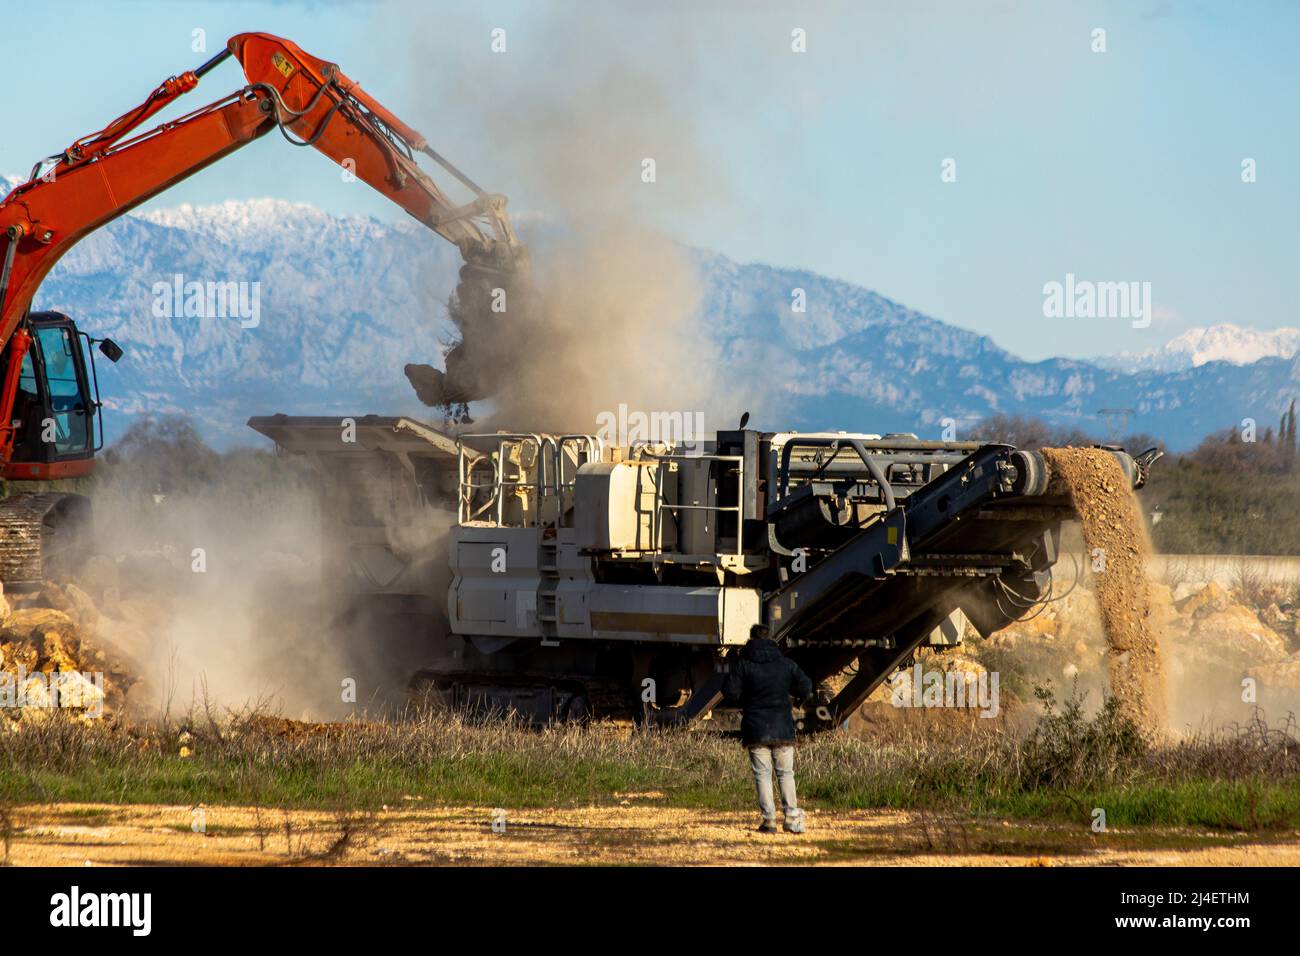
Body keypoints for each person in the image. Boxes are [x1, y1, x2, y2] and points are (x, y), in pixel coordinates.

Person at [722, 623, 814, 833]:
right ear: (771, 640)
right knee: (785, 773)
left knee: (762, 775)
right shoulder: (786, 663)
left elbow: (730, 692)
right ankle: (791, 817)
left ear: (751, 640)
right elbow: (807, 686)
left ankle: (769, 821)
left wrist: (745, 701)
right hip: (783, 727)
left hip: (756, 727)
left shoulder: (743, 664)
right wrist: (797, 699)